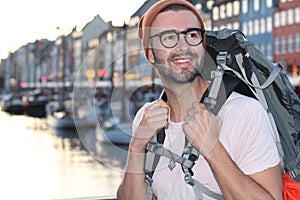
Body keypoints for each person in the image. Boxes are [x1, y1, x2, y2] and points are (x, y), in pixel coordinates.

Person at [117, 0, 283, 199]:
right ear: (150, 54)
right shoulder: (146, 117)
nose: (183, 46)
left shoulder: (244, 112)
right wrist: (137, 145)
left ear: (202, 46)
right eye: (169, 37)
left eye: (192, 35)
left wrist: (212, 149)